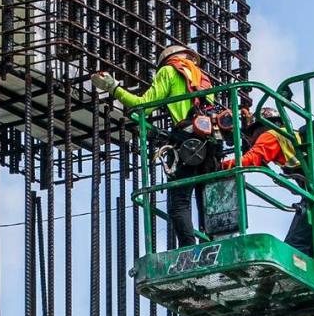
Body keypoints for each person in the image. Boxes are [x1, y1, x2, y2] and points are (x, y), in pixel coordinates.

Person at [92, 43, 220, 248]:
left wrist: (113, 88)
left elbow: (143, 105)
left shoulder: (169, 72)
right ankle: (215, 244)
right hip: (211, 143)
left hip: (187, 143)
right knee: (206, 196)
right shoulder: (204, 79)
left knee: (179, 203)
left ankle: (189, 250)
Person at [220, 106, 314, 262]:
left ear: (259, 127)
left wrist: (221, 166)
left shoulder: (271, 134)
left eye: (251, 134)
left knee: (295, 246)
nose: (252, 139)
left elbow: (252, 159)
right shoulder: (289, 135)